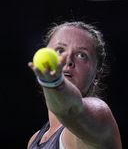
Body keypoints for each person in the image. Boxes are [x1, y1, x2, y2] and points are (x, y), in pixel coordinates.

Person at [27, 21, 122, 149]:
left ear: (96, 76)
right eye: (59, 50)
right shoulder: (35, 139)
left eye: (82, 55)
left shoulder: (100, 117)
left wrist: (54, 83)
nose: (68, 59)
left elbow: (70, 110)